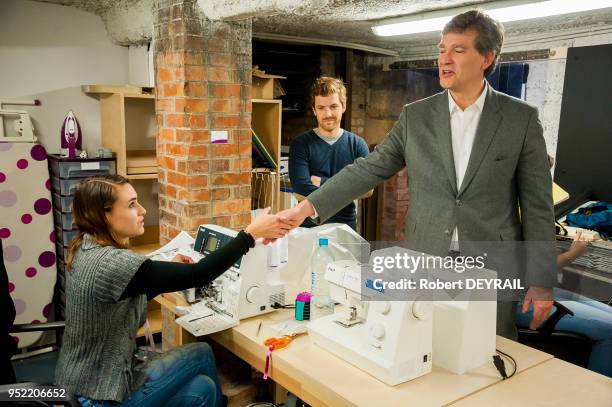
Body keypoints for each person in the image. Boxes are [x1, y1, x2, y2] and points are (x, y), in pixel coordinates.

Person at [279, 9, 556, 340]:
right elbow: (368, 168)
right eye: (442, 49)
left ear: (487, 57)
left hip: (490, 267)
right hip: (425, 260)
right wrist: (305, 207)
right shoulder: (416, 117)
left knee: (486, 353)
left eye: (458, 49)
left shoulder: (520, 119)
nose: (445, 59)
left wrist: (541, 280)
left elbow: (538, 205)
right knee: (420, 345)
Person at [54, 174, 290, 406]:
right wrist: (250, 235)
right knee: (202, 352)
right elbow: (200, 274)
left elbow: (124, 294)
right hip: (99, 394)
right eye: (132, 204)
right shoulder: (111, 263)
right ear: (104, 215)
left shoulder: (86, 246)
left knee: (203, 389)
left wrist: (166, 276)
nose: (143, 211)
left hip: (78, 384)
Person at [518, 231, 612, 378]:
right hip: (518, 300)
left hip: (533, 288)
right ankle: (595, 395)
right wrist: (572, 254)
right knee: (610, 330)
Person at [289, 76, 369, 230]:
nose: (327, 114)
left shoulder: (357, 145)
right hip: (308, 229)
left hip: (346, 228)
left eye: (333, 106)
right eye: (321, 108)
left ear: (343, 106)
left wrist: (322, 183)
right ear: (314, 110)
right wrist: (346, 188)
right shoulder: (301, 144)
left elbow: (367, 188)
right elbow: (300, 189)